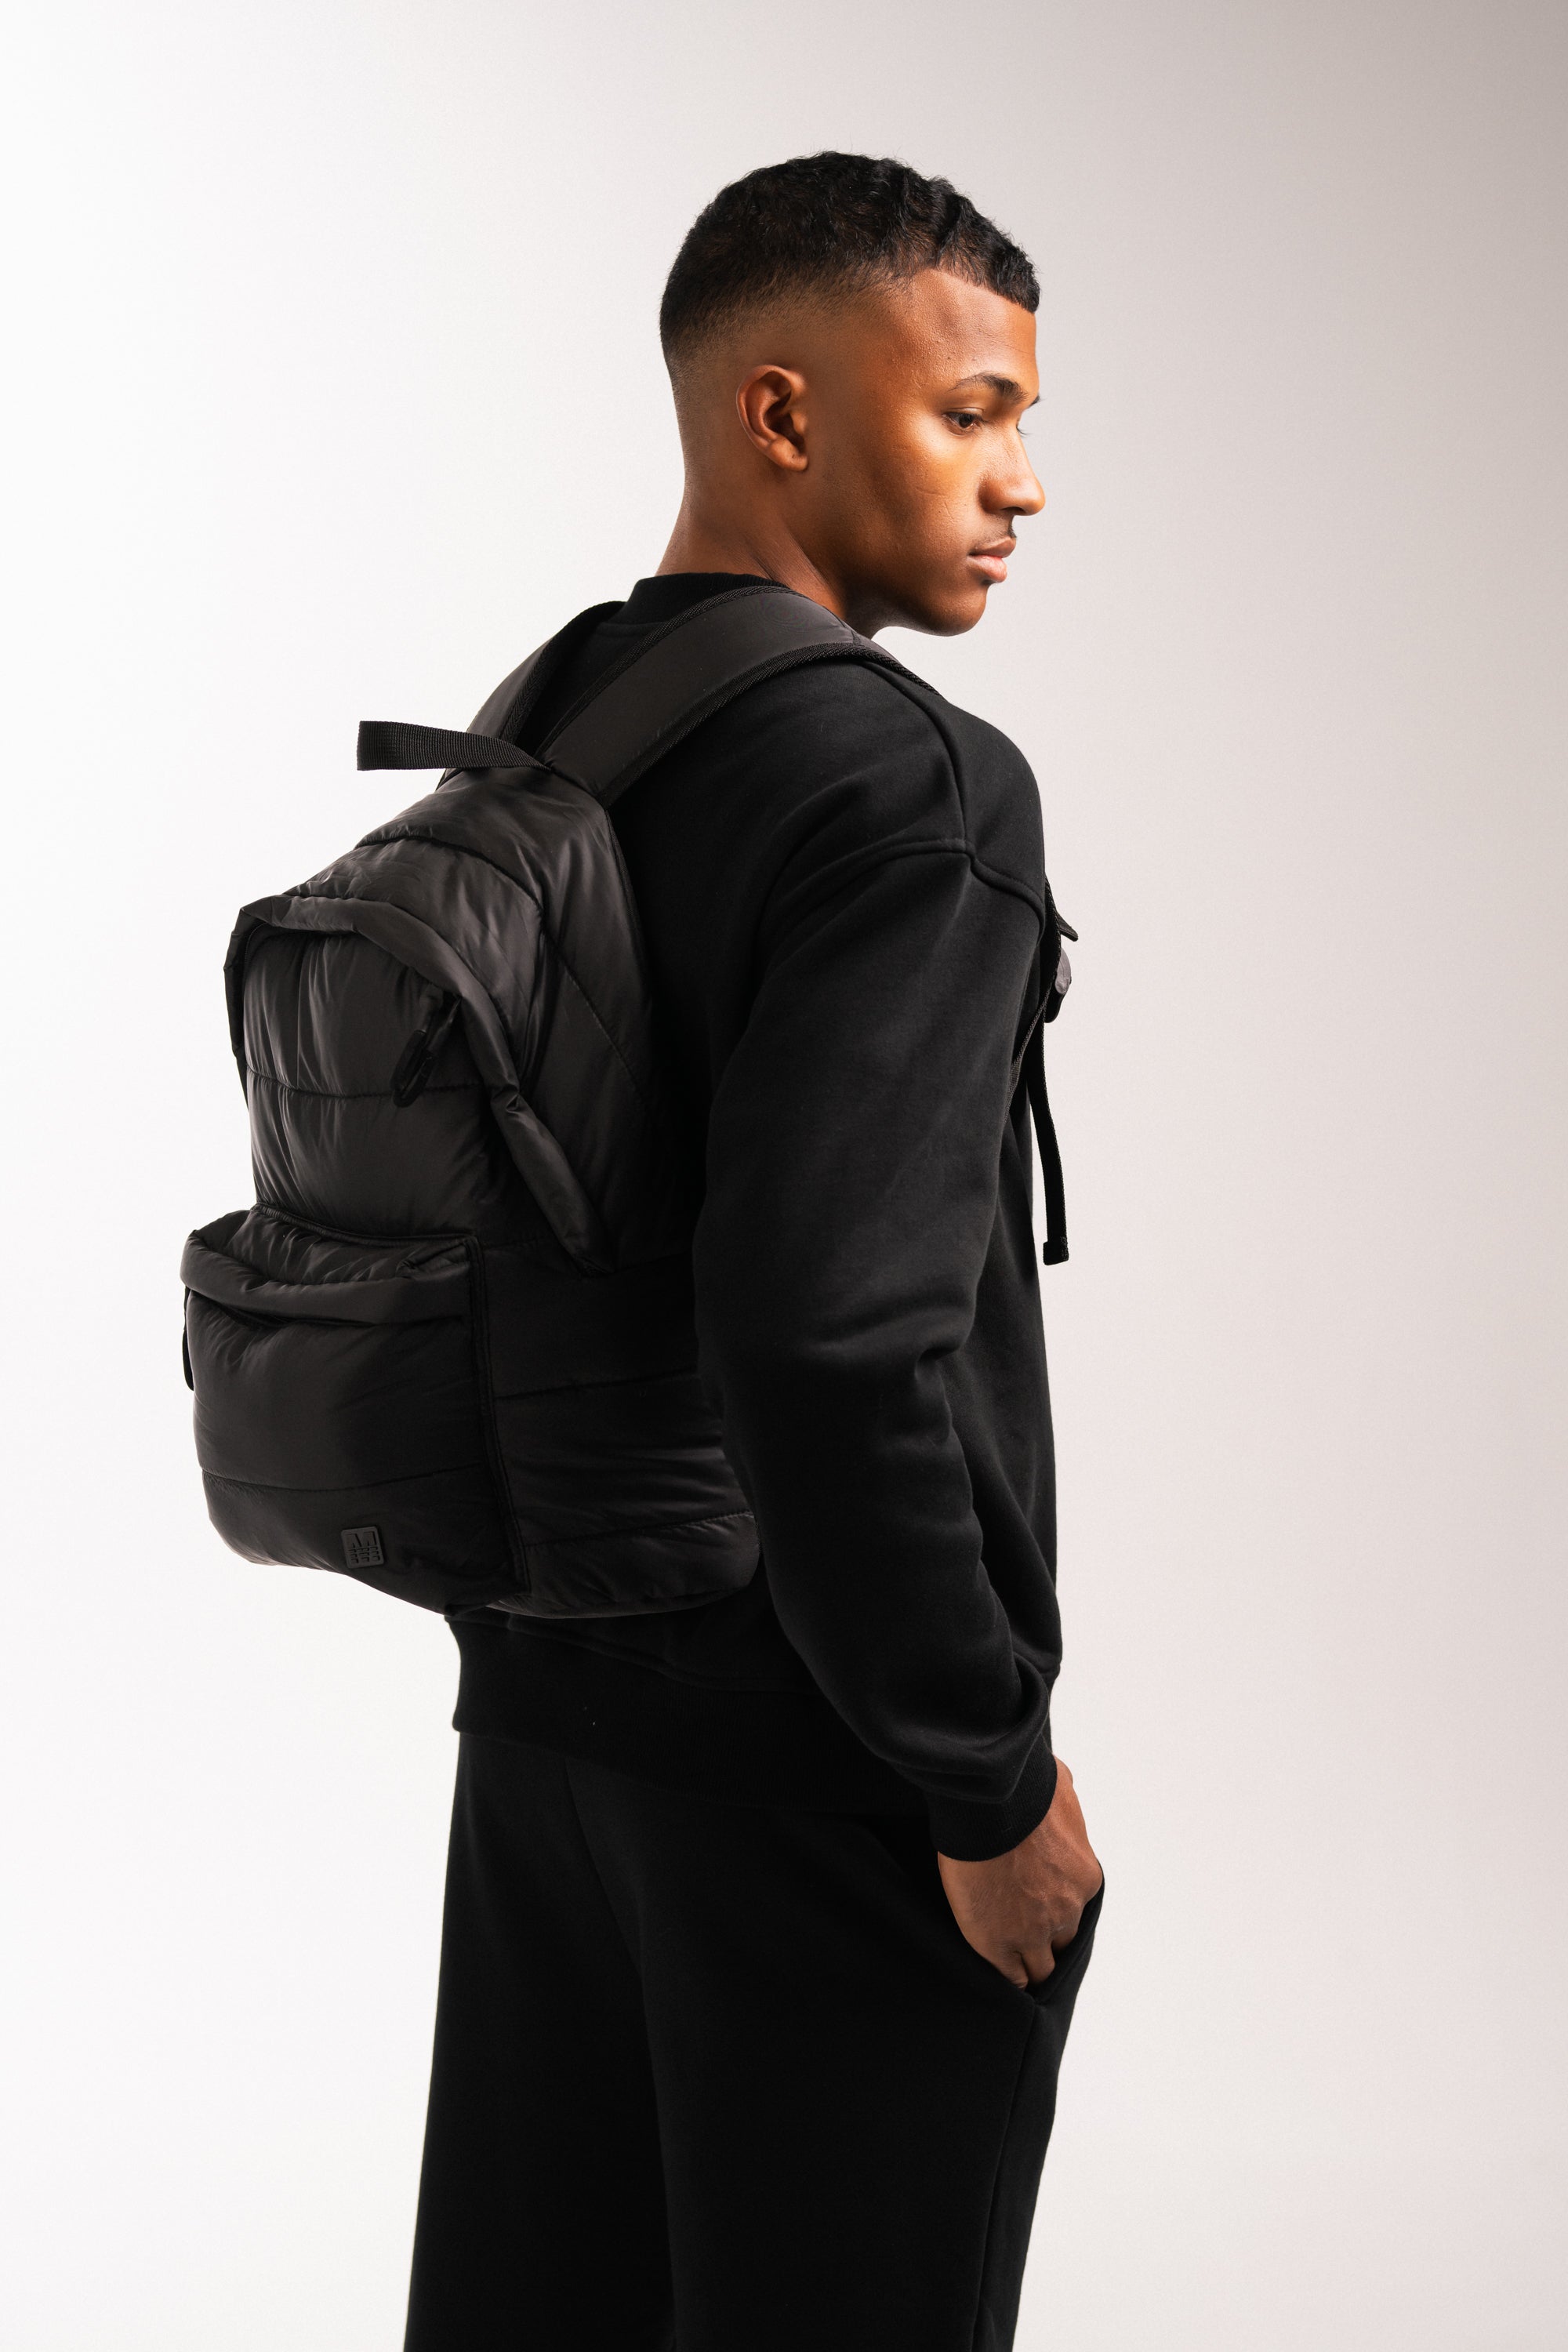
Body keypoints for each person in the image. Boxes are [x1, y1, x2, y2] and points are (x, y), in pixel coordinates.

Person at [402, 152, 1103, 2352]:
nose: (1024, 482)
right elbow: (826, 1333)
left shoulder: (549, 719)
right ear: (781, 413)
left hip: (551, 1732)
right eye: (972, 412)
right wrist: (985, 1779)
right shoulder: (908, 784)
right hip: (825, 1786)